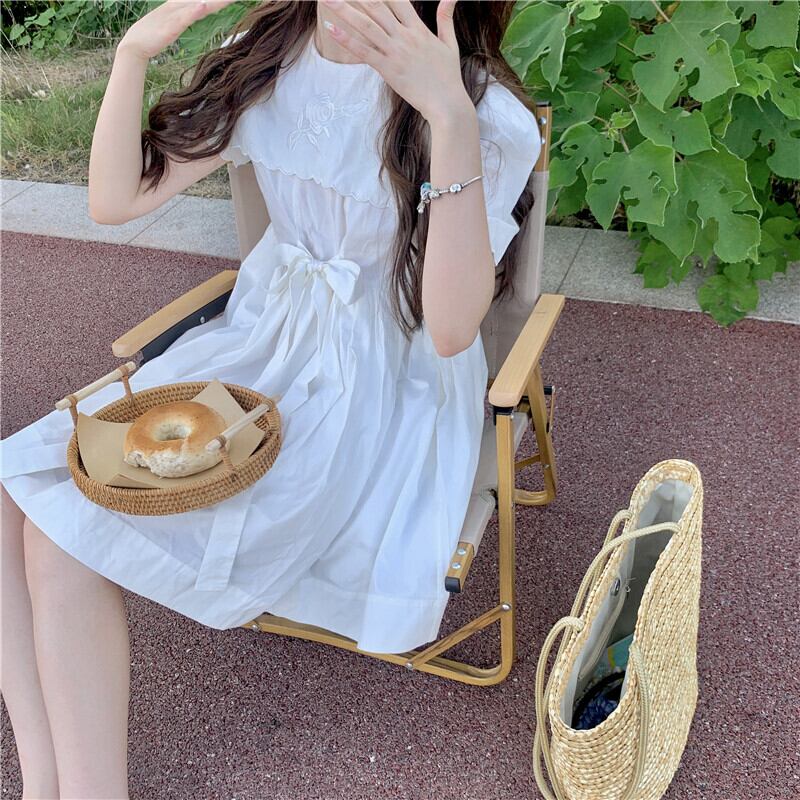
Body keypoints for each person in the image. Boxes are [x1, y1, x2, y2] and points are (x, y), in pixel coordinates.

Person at [0, 0, 541, 796]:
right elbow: (114, 201)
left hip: (379, 388)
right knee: (9, 490)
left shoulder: (479, 111)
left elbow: (454, 330)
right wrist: (133, 52)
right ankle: (45, 782)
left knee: (58, 536)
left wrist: (450, 118)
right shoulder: (267, 55)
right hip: (258, 346)